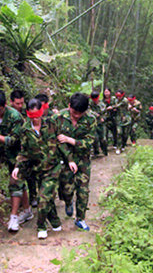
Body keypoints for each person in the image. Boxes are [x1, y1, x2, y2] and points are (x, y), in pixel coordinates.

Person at [12, 99, 76, 239]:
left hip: (53, 168)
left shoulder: (52, 124)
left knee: (43, 198)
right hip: (37, 169)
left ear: (42, 111)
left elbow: (61, 143)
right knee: (47, 198)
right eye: (32, 116)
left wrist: (70, 160)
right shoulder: (25, 129)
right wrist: (17, 167)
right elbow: (24, 151)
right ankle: (55, 221)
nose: (35, 119)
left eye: (37, 115)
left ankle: (41, 226)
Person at [0, 90, 31, 232]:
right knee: (20, 184)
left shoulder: (15, 117)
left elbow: (12, 141)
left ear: (5, 105)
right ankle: (27, 210)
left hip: (18, 155)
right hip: (1, 155)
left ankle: (13, 217)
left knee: (15, 183)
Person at [56, 93, 97, 231]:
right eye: (74, 113)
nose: (77, 116)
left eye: (80, 113)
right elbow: (54, 139)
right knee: (66, 188)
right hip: (64, 159)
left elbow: (90, 142)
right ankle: (68, 202)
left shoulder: (91, 119)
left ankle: (80, 218)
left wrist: (70, 140)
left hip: (82, 159)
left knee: (83, 190)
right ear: (69, 106)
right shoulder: (58, 117)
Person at [89, 91, 107, 156]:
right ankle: (96, 152)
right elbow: (88, 111)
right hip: (93, 123)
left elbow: (105, 113)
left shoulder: (102, 105)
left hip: (101, 123)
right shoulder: (89, 104)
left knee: (103, 139)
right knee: (94, 138)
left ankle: (105, 151)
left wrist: (103, 118)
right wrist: (95, 114)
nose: (94, 101)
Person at [114, 89, 130, 154]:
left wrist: (112, 107)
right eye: (117, 96)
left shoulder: (125, 100)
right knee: (119, 133)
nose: (118, 97)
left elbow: (118, 105)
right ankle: (118, 147)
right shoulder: (115, 100)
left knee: (125, 134)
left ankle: (123, 145)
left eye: (119, 96)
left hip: (126, 119)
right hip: (118, 119)